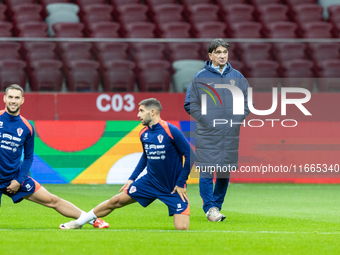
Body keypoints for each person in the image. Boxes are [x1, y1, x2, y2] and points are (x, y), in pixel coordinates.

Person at [60, 98, 195, 230]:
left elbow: (191, 155)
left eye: (141, 111)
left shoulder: (171, 130)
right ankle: (78, 223)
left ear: (152, 112)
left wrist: (180, 183)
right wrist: (132, 178)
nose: (138, 115)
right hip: (150, 182)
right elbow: (145, 157)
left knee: (182, 228)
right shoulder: (143, 133)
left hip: (172, 187)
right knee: (115, 201)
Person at [0, 84, 109, 228]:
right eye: (11, 97)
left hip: (14, 178)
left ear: (22, 100)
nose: (13, 101)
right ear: (4, 98)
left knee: (52, 200)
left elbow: (28, 157)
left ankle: (93, 220)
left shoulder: (27, 127)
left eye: (17, 98)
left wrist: (19, 181)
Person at [184, 39, 251, 222]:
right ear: (210, 55)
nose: (222, 55)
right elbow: (190, 104)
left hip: (229, 134)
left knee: (224, 173)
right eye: (218, 52)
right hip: (207, 133)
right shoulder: (200, 77)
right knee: (206, 171)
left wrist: (236, 120)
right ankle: (210, 207)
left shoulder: (237, 77)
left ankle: (216, 208)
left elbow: (248, 103)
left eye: (225, 52)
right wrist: (208, 120)